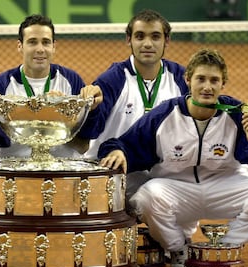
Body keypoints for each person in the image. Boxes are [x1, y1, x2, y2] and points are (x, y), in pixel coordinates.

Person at [98, 48, 248, 267]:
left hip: (225, 188)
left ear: (223, 84)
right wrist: (118, 151)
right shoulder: (165, 114)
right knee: (147, 195)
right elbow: (125, 143)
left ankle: (223, 247)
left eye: (214, 80)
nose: (207, 86)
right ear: (188, 80)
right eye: (201, 79)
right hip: (178, 192)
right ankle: (179, 249)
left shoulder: (236, 114)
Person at [80, 9, 188, 199]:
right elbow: (91, 132)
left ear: (167, 41)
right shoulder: (113, 79)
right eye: (140, 36)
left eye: (155, 37)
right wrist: (92, 109)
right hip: (113, 173)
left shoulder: (180, 79)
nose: (147, 44)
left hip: (159, 174)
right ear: (129, 40)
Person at [0, 14, 102, 158]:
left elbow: (82, 147)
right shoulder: (0, 86)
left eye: (46, 42)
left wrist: (60, 116)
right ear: (20, 46)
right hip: (14, 169)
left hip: (60, 168)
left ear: (54, 46)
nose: (40, 49)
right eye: (32, 42)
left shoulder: (71, 81)